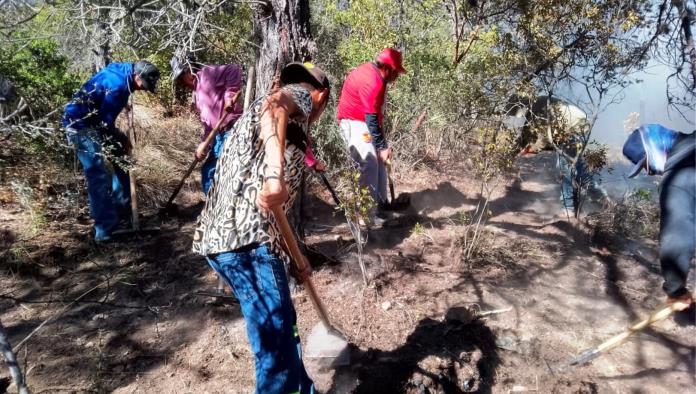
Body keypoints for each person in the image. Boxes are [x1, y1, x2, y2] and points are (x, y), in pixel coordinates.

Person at [192, 62, 330, 393]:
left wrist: (296, 258)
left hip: (225, 242)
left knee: (282, 332)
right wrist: (274, 174)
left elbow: (266, 208)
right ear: (321, 95)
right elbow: (276, 105)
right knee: (275, 345)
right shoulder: (298, 97)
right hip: (245, 246)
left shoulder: (275, 123)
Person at [62, 61, 160, 242]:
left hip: (96, 121)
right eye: (143, 86)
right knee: (97, 174)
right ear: (137, 76)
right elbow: (105, 124)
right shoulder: (118, 86)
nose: (143, 90)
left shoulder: (125, 71)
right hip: (80, 125)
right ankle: (104, 230)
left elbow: (104, 94)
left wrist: (122, 103)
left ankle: (122, 211)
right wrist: (124, 139)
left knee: (123, 160)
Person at [623, 124, 695, 310]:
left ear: (655, 145)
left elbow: (677, 233)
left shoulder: (679, 175)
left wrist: (675, 289)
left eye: (646, 163)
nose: (649, 171)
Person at [336, 48, 406, 223]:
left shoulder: (377, 76)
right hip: (353, 122)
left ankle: (381, 207)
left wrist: (382, 145)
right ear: (387, 68)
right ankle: (366, 216)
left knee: (381, 163)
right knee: (370, 161)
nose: (397, 77)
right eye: (396, 72)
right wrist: (381, 147)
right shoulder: (372, 81)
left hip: (365, 122)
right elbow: (371, 117)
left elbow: (375, 117)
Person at [170, 57, 244, 194]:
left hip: (232, 128)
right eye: (179, 80)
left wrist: (229, 97)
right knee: (209, 171)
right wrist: (204, 145)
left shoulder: (207, 74)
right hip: (220, 134)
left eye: (181, 78)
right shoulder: (197, 96)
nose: (182, 83)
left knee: (211, 170)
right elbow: (209, 126)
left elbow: (233, 69)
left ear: (188, 71)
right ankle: (214, 205)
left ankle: (214, 207)